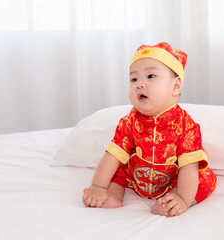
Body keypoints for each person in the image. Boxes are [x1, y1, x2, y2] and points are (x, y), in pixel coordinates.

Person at [82, 42, 216, 217]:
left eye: (150, 76)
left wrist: (183, 198)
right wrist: (98, 186)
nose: (139, 84)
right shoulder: (129, 122)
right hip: (138, 176)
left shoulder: (186, 125)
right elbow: (112, 155)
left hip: (174, 178)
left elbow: (189, 166)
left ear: (176, 87)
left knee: (202, 179)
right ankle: (113, 194)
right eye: (134, 79)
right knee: (117, 169)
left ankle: (176, 201)